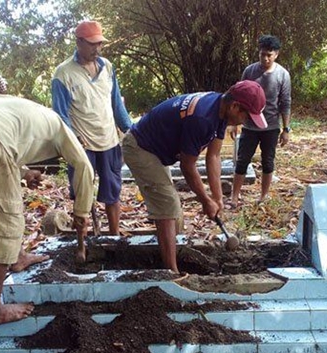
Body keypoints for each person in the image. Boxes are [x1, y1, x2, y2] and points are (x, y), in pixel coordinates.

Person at [0, 95, 94, 327]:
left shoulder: (37, 115)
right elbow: (84, 167)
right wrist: (81, 213)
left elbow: (4, 135)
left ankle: (17, 257)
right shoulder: (64, 130)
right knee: (2, 220)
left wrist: (23, 172)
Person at [123, 80, 267, 273]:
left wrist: (217, 197)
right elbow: (187, 166)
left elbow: (214, 155)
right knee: (167, 206)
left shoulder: (220, 110)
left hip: (155, 149)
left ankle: (174, 256)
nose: (245, 122)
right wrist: (206, 201)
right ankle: (171, 274)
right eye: (247, 116)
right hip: (140, 147)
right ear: (235, 106)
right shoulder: (202, 119)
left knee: (174, 213)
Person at [52, 20, 132, 235]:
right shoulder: (63, 74)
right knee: (81, 194)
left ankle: (114, 236)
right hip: (82, 145)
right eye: (92, 44)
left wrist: (131, 130)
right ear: (79, 42)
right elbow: (60, 115)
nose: (97, 49)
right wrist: (73, 139)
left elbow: (116, 104)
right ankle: (83, 241)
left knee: (113, 192)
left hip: (109, 141)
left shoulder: (107, 67)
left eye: (100, 44)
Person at [230, 35, 292, 207]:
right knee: (242, 160)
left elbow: (285, 103)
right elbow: (239, 97)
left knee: (268, 161)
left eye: (269, 55)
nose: (265, 58)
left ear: (276, 55)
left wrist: (286, 129)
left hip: (271, 126)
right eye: (262, 54)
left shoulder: (283, 75)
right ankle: (234, 197)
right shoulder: (249, 71)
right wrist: (235, 123)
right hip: (249, 126)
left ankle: (263, 196)